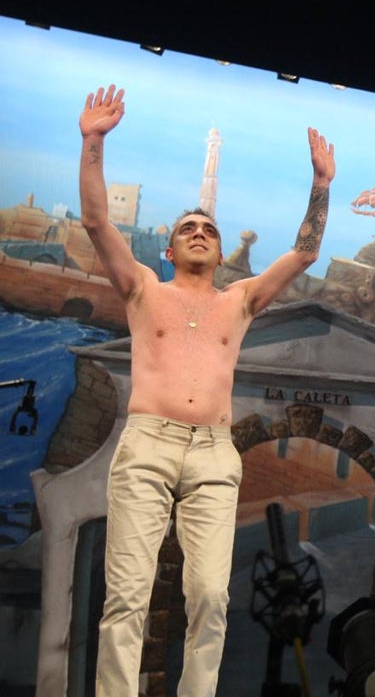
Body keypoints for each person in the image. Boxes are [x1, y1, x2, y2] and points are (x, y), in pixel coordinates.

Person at [78, 84, 335, 696]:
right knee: (127, 597)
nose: (199, 232)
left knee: (212, 597)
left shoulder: (239, 301)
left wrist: (321, 184)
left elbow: (303, 253)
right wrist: (93, 142)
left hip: (214, 454)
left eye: (208, 230)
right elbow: (94, 219)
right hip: (148, 446)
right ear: (169, 248)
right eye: (188, 228)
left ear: (220, 254)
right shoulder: (143, 288)